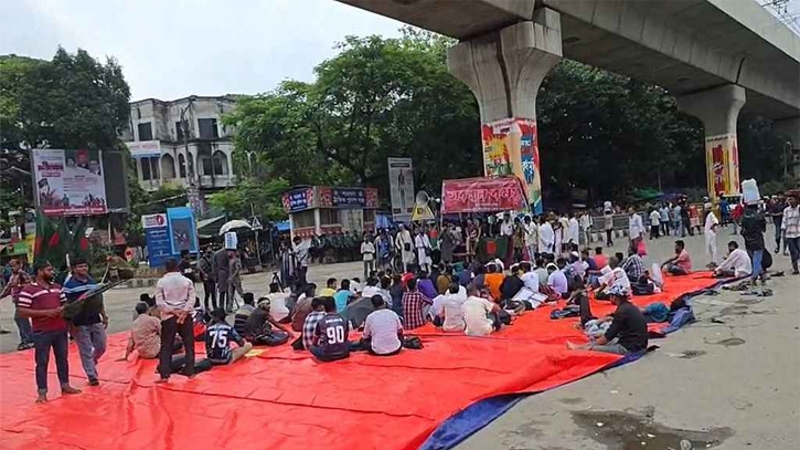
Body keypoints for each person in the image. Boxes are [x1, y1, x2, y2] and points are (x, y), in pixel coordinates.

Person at [17, 260, 82, 403]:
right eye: (48, 270)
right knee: (42, 362)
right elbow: (21, 311)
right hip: (42, 332)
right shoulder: (28, 290)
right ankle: (42, 392)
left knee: (62, 359)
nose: (52, 273)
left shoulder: (58, 288)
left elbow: (64, 304)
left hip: (60, 329)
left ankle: (65, 385)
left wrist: (64, 310)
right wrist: (47, 312)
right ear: (40, 272)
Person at [62, 258, 107, 386]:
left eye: (85, 266)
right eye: (80, 267)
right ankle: (92, 375)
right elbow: (67, 306)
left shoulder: (92, 281)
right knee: (85, 349)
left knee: (101, 346)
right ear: (74, 269)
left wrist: (104, 315)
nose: (84, 269)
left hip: (94, 318)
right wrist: (70, 325)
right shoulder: (69, 286)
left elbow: (99, 299)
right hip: (79, 322)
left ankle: (92, 361)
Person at [566, 285, 647, 355]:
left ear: (615, 297)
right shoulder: (630, 307)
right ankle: (579, 347)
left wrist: (589, 346)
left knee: (593, 348)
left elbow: (608, 336)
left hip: (630, 348)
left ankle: (579, 348)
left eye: (610, 296)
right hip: (639, 344)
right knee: (602, 340)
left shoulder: (622, 312)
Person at [155, 258, 196, 383]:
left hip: (169, 317)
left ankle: (165, 374)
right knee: (189, 344)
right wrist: (184, 312)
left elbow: (160, 303)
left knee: (166, 345)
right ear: (178, 267)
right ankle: (190, 371)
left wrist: (173, 311)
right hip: (185, 315)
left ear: (166, 268)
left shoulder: (161, 282)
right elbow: (192, 299)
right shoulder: (187, 281)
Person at [3, 258, 33, 350]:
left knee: (20, 319)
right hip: (17, 301)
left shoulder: (23, 275)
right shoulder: (12, 276)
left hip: (23, 301)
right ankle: (27, 339)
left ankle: (28, 340)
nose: (12, 268)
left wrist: (19, 286)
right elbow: (8, 288)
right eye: (11, 266)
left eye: (14, 265)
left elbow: (29, 286)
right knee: (21, 320)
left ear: (20, 265)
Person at [310, 298, 350, 362]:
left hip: (327, 356)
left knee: (312, 347)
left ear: (324, 308)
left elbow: (314, 342)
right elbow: (345, 338)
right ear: (335, 306)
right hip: (344, 353)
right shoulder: (344, 319)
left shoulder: (321, 321)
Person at [741, 203, 768, 284]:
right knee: (757, 258)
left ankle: (761, 274)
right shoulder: (759, 217)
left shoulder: (744, 217)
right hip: (758, 240)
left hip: (748, 241)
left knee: (754, 259)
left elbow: (742, 229)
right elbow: (763, 229)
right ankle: (755, 276)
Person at [782, 192, 800, 274]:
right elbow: (784, 221)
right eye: (789, 199)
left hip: (798, 233)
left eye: (792, 199)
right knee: (792, 251)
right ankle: (795, 268)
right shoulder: (786, 210)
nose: (790, 201)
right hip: (789, 234)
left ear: (796, 200)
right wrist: (783, 231)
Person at [212, 247, 231, 313]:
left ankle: (221, 307)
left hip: (221, 274)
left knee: (222, 292)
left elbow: (214, 266)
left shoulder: (217, 254)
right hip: (228, 274)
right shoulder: (230, 252)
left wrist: (215, 277)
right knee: (228, 292)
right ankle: (228, 307)